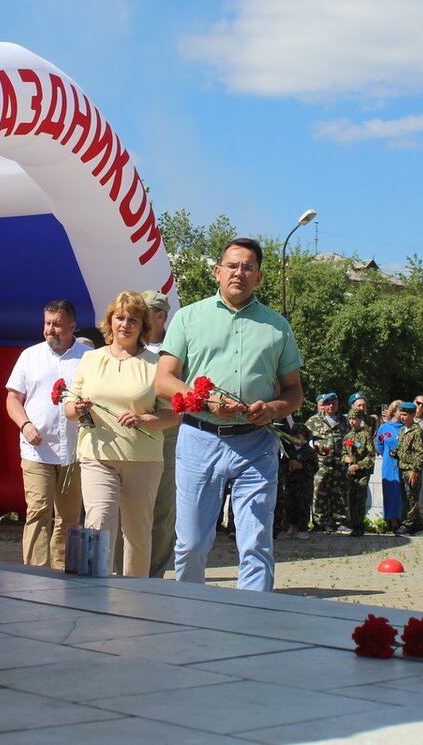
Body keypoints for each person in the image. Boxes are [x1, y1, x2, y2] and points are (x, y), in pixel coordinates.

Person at [156, 237, 303, 592]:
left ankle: (251, 622)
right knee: (191, 543)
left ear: (259, 277)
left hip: (256, 445)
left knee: (256, 543)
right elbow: (163, 380)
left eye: (248, 267)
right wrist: (206, 402)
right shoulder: (188, 318)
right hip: (198, 439)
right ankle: (190, 618)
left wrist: (270, 409)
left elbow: (294, 392)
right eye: (233, 266)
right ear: (218, 271)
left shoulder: (277, 326)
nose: (239, 273)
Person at [66, 291, 175, 577]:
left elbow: (172, 414)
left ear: (143, 326)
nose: (125, 324)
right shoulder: (90, 359)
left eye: (133, 320)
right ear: (110, 321)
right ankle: (94, 592)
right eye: (120, 317)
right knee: (99, 522)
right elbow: (68, 406)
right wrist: (78, 408)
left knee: (138, 533)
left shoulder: (156, 364)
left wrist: (145, 418)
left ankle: (135, 599)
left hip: (144, 460)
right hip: (96, 455)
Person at [5, 300, 92, 569]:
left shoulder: (88, 357)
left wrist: (86, 414)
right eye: (47, 323)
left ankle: (63, 572)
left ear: (72, 327)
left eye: (57, 325)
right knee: (39, 510)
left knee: (68, 517)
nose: (50, 330)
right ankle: (35, 573)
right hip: (37, 450)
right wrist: (25, 425)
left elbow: (98, 398)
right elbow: (13, 399)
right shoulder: (29, 356)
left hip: (74, 451)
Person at [140, 289, 179, 577]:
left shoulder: (177, 349)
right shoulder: (128, 346)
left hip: (168, 433)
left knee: (163, 507)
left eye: (145, 313)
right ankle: (125, 570)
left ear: (161, 316)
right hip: (133, 433)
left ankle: (154, 573)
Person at [307, 392, 348, 533]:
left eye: (334, 403)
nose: (331, 406)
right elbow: (305, 440)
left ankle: (339, 522)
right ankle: (319, 523)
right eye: (329, 403)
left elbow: (351, 439)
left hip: (340, 464)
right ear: (323, 405)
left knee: (340, 493)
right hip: (321, 464)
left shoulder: (344, 421)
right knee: (319, 493)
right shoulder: (313, 421)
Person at [276, 423, 315, 539]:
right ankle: (292, 526)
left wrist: (301, 466)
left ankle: (303, 528)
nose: (297, 438)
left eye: (299, 435)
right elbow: (282, 465)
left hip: (304, 484)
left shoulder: (309, 451)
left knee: (303, 505)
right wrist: (287, 466)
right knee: (290, 504)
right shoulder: (289, 451)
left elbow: (314, 467)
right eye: (294, 435)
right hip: (290, 483)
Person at [340, 408, 375, 536]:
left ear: (360, 420)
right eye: (350, 419)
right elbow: (343, 452)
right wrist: (345, 458)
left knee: (360, 500)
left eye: (354, 419)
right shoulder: (348, 436)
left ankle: (359, 526)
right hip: (350, 474)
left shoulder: (365, 435)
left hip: (361, 474)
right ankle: (353, 524)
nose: (352, 422)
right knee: (351, 499)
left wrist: (359, 465)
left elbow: (371, 456)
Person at [395, 400, 423, 534]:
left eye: (405, 415)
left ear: (413, 415)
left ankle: (409, 524)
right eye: (401, 414)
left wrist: (415, 470)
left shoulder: (416, 431)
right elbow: (402, 448)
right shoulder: (402, 429)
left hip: (411, 469)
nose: (402, 417)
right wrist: (395, 452)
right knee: (405, 497)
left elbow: (419, 452)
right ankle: (414, 522)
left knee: (411, 497)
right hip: (402, 467)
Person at [375, 401, 406, 533]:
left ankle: (404, 520)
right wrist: (388, 455)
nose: (404, 415)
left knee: (404, 492)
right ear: (394, 411)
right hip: (389, 464)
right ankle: (393, 522)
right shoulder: (384, 427)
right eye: (401, 411)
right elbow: (379, 445)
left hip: (404, 464)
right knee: (391, 491)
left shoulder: (407, 427)